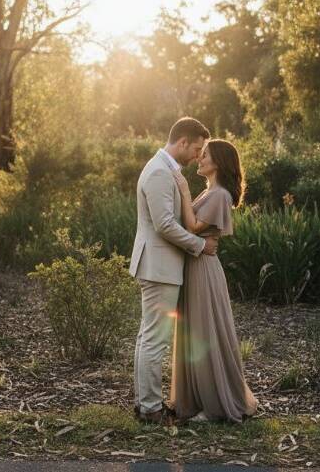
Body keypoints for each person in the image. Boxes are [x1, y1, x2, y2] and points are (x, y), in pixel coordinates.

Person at [130, 117, 219, 425]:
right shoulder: (158, 172)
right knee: (155, 339)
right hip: (159, 266)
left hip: (158, 265)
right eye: (196, 149)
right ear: (182, 142)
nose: (197, 156)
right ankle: (151, 409)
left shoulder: (163, 169)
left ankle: (145, 404)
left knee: (148, 336)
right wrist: (200, 245)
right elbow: (165, 224)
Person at [169, 139, 258, 423]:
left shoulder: (219, 195)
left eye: (205, 155)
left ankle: (215, 405)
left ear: (218, 162)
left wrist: (183, 191)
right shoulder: (210, 192)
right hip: (196, 264)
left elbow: (193, 226)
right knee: (195, 331)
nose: (200, 158)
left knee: (205, 332)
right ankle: (197, 399)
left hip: (204, 268)